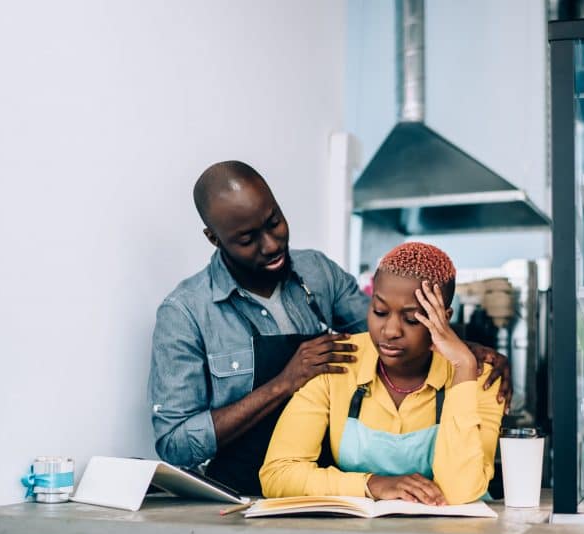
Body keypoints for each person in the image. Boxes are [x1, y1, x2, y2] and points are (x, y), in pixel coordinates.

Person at [149, 161, 510, 495]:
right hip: (234, 495)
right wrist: (284, 383)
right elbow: (175, 443)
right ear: (214, 238)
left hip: (325, 494)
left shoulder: (317, 272)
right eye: (247, 239)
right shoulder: (185, 312)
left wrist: (466, 354)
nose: (272, 244)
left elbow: (388, 328)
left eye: (274, 221)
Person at [260, 243, 504, 505]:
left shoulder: (479, 377)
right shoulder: (337, 362)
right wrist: (371, 483)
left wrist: (463, 369)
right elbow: (278, 474)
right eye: (380, 311)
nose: (390, 330)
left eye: (412, 319)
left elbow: (459, 491)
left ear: (443, 317)